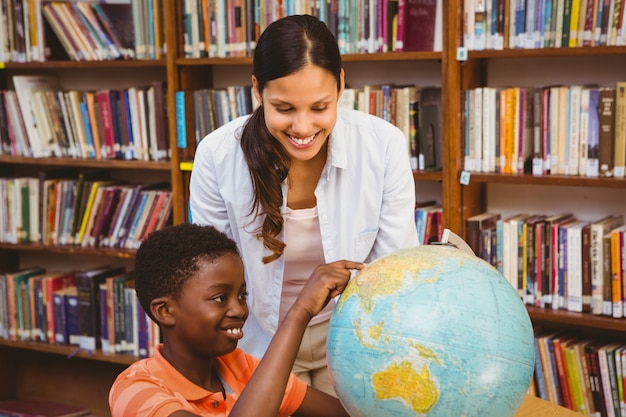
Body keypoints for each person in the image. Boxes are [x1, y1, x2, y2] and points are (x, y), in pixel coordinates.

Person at [189, 14, 419, 395]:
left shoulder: (383, 145)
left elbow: (393, 268)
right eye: (284, 108)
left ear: (342, 85)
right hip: (260, 339)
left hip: (351, 336)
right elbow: (212, 274)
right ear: (257, 92)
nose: (302, 127)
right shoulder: (216, 155)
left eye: (318, 107)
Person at [108, 223, 363, 417]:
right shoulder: (135, 390)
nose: (239, 310)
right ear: (165, 311)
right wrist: (299, 313)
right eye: (220, 298)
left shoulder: (240, 368)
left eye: (242, 295)